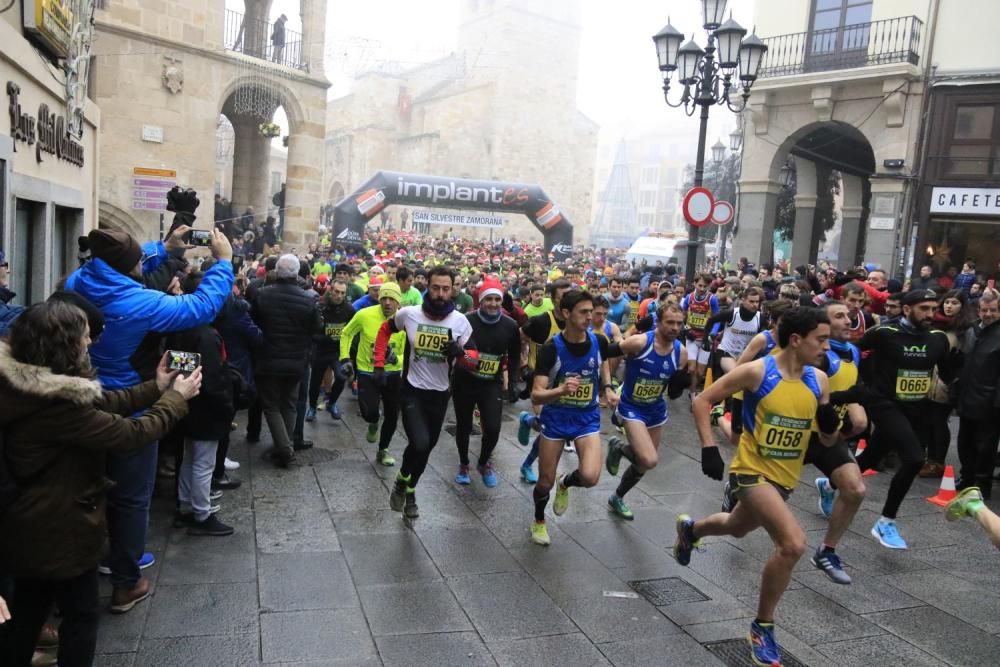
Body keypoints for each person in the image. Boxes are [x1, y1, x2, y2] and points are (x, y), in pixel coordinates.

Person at [0, 300, 201, 666]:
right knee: (81, 615)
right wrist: (176, 398)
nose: (90, 343)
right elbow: (131, 434)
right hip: (57, 527)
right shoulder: (56, 407)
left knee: (28, 611)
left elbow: (103, 403)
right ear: (63, 346)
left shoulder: (29, 386)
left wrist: (155, 387)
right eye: (84, 337)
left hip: (30, 524)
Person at [63, 226, 233, 613]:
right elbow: (201, 307)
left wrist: (163, 247)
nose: (146, 263)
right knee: (131, 496)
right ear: (129, 268)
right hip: (132, 401)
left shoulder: (79, 280)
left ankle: (84, 566)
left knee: (83, 488)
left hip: (83, 396)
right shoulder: (135, 301)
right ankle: (126, 579)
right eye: (141, 259)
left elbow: (122, 265)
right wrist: (223, 263)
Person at [675, 307, 837, 667]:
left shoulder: (819, 380)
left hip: (785, 478)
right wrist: (708, 448)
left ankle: (692, 529)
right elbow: (702, 401)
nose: (827, 346)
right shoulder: (756, 371)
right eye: (821, 340)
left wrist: (830, 426)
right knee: (793, 544)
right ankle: (763, 626)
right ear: (796, 340)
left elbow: (826, 441)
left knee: (735, 527)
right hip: (750, 472)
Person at [850, 289, 955, 548]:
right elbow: (850, 354)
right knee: (915, 458)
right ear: (907, 309)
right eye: (924, 309)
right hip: (884, 404)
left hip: (916, 408)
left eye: (934, 308)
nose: (931, 314)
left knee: (870, 457)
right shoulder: (885, 333)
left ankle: (830, 484)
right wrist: (860, 388)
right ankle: (886, 521)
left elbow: (949, 372)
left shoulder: (938, 338)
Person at [376, 267, 475, 518]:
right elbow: (384, 330)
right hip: (411, 390)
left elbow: (474, 359)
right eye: (435, 288)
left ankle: (409, 489)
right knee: (419, 443)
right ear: (427, 287)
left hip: (440, 394)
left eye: (445, 288)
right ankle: (401, 482)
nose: (440, 294)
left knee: (426, 448)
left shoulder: (460, 322)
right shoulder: (409, 314)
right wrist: (379, 362)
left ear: (453, 289)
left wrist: (460, 354)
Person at [528, 290, 618, 546]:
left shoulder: (599, 341)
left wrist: (608, 388)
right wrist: (560, 390)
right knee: (544, 482)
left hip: (586, 418)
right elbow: (536, 395)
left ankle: (566, 482)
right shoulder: (551, 349)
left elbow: (604, 366)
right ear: (566, 314)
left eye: (592, 312)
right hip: (556, 418)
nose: (590, 317)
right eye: (583, 312)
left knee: (590, 477)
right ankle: (539, 521)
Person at [165, 271, 236, 536]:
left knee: (190, 459)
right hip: (206, 407)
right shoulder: (205, 334)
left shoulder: (183, 327)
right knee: (203, 463)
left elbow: (180, 365)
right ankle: (201, 513)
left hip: (188, 401)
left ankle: (186, 507)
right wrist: (226, 405)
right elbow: (212, 377)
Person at [605, 303, 688, 520]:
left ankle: (617, 497)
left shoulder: (681, 352)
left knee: (643, 464)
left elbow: (674, 388)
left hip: (656, 409)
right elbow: (605, 354)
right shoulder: (640, 342)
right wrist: (608, 386)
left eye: (679, 323)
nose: (675, 328)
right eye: (670, 322)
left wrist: (681, 384)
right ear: (658, 322)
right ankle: (621, 447)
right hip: (631, 407)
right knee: (650, 459)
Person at [807, 301, 869, 584]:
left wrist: (855, 417)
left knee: (855, 489)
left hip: (826, 436)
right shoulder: (815, 356)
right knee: (744, 518)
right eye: (840, 316)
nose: (849, 319)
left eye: (849, 315)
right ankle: (735, 489)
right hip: (797, 434)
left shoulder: (854, 352)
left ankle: (826, 551)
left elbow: (848, 391)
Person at [251, 254, 322, 467]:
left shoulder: (262, 294)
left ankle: (284, 448)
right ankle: (285, 444)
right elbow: (316, 329)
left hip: (269, 359)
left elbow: (254, 324)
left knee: (271, 405)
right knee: (289, 404)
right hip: (296, 360)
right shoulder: (309, 299)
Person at [452, 278, 521, 487]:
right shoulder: (466, 320)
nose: (493, 303)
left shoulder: (510, 325)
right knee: (463, 426)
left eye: (497, 299)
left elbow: (516, 355)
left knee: (493, 428)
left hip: (491, 382)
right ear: (480, 301)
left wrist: (515, 382)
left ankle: (483, 463)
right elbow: (453, 344)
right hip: (464, 380)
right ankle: (464, 464)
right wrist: (456, 353)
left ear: (502, 301)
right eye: (488, 299)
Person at [339, 282, 406, 465]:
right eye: (383, 298)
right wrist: (345, 359)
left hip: (393, 373)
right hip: (367, 371)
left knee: (392, 415)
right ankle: (373, 421)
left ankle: (383, 450)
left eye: (391, 299)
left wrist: (396, 359)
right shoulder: (364, 314)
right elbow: (346, 334)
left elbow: (409, 352)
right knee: (369, 413)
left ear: (398, 301)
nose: (386, 302)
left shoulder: (405, 320)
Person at [955, 292, 1000, 498]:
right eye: (985, 310)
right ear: (978, 310)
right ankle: (967, 478)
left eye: (993, 310)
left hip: (990, 401)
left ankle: (982, 484)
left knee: (985, 447)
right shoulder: (973, 330)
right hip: (968, 395)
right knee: (965, 441)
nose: (988, 314)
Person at [308, 279, 355, 421]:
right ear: (330, 290)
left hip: (338, 352)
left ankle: (332, 403)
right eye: (336, 292)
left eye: (342, 293)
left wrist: (350, 350)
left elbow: (354, 331)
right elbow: (310, 331)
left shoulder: (349, 309)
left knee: (341, 377)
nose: (339, 295)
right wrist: (326, 338)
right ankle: (311, 408)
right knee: (315, 382)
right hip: (320, 350)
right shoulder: (319, 306)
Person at [679, 273, 720, 396]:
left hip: (705, 339)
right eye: (700, 285)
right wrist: (685, 329)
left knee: (700, 372)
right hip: (692, 337)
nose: (702, 289)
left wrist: (711, 334)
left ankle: (693, 390)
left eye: (705, 286)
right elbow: (682, 315)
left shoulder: (712, 299)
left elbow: (717, 319)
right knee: (691, 369)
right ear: (695, 284)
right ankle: (692, 394)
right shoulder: (689, 298)